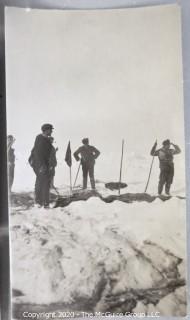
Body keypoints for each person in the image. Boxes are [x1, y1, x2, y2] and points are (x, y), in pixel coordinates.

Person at [30, 124, 54, 208]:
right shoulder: (40, 138)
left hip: (42, 164)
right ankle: (42, 203)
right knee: (43, 182)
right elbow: (38, 153)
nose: (52, 131)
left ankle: (41, 202)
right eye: (50, 129)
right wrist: (41, 166)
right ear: (46, 130)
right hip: (39, 164)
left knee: (42, 182)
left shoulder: (45, 139)